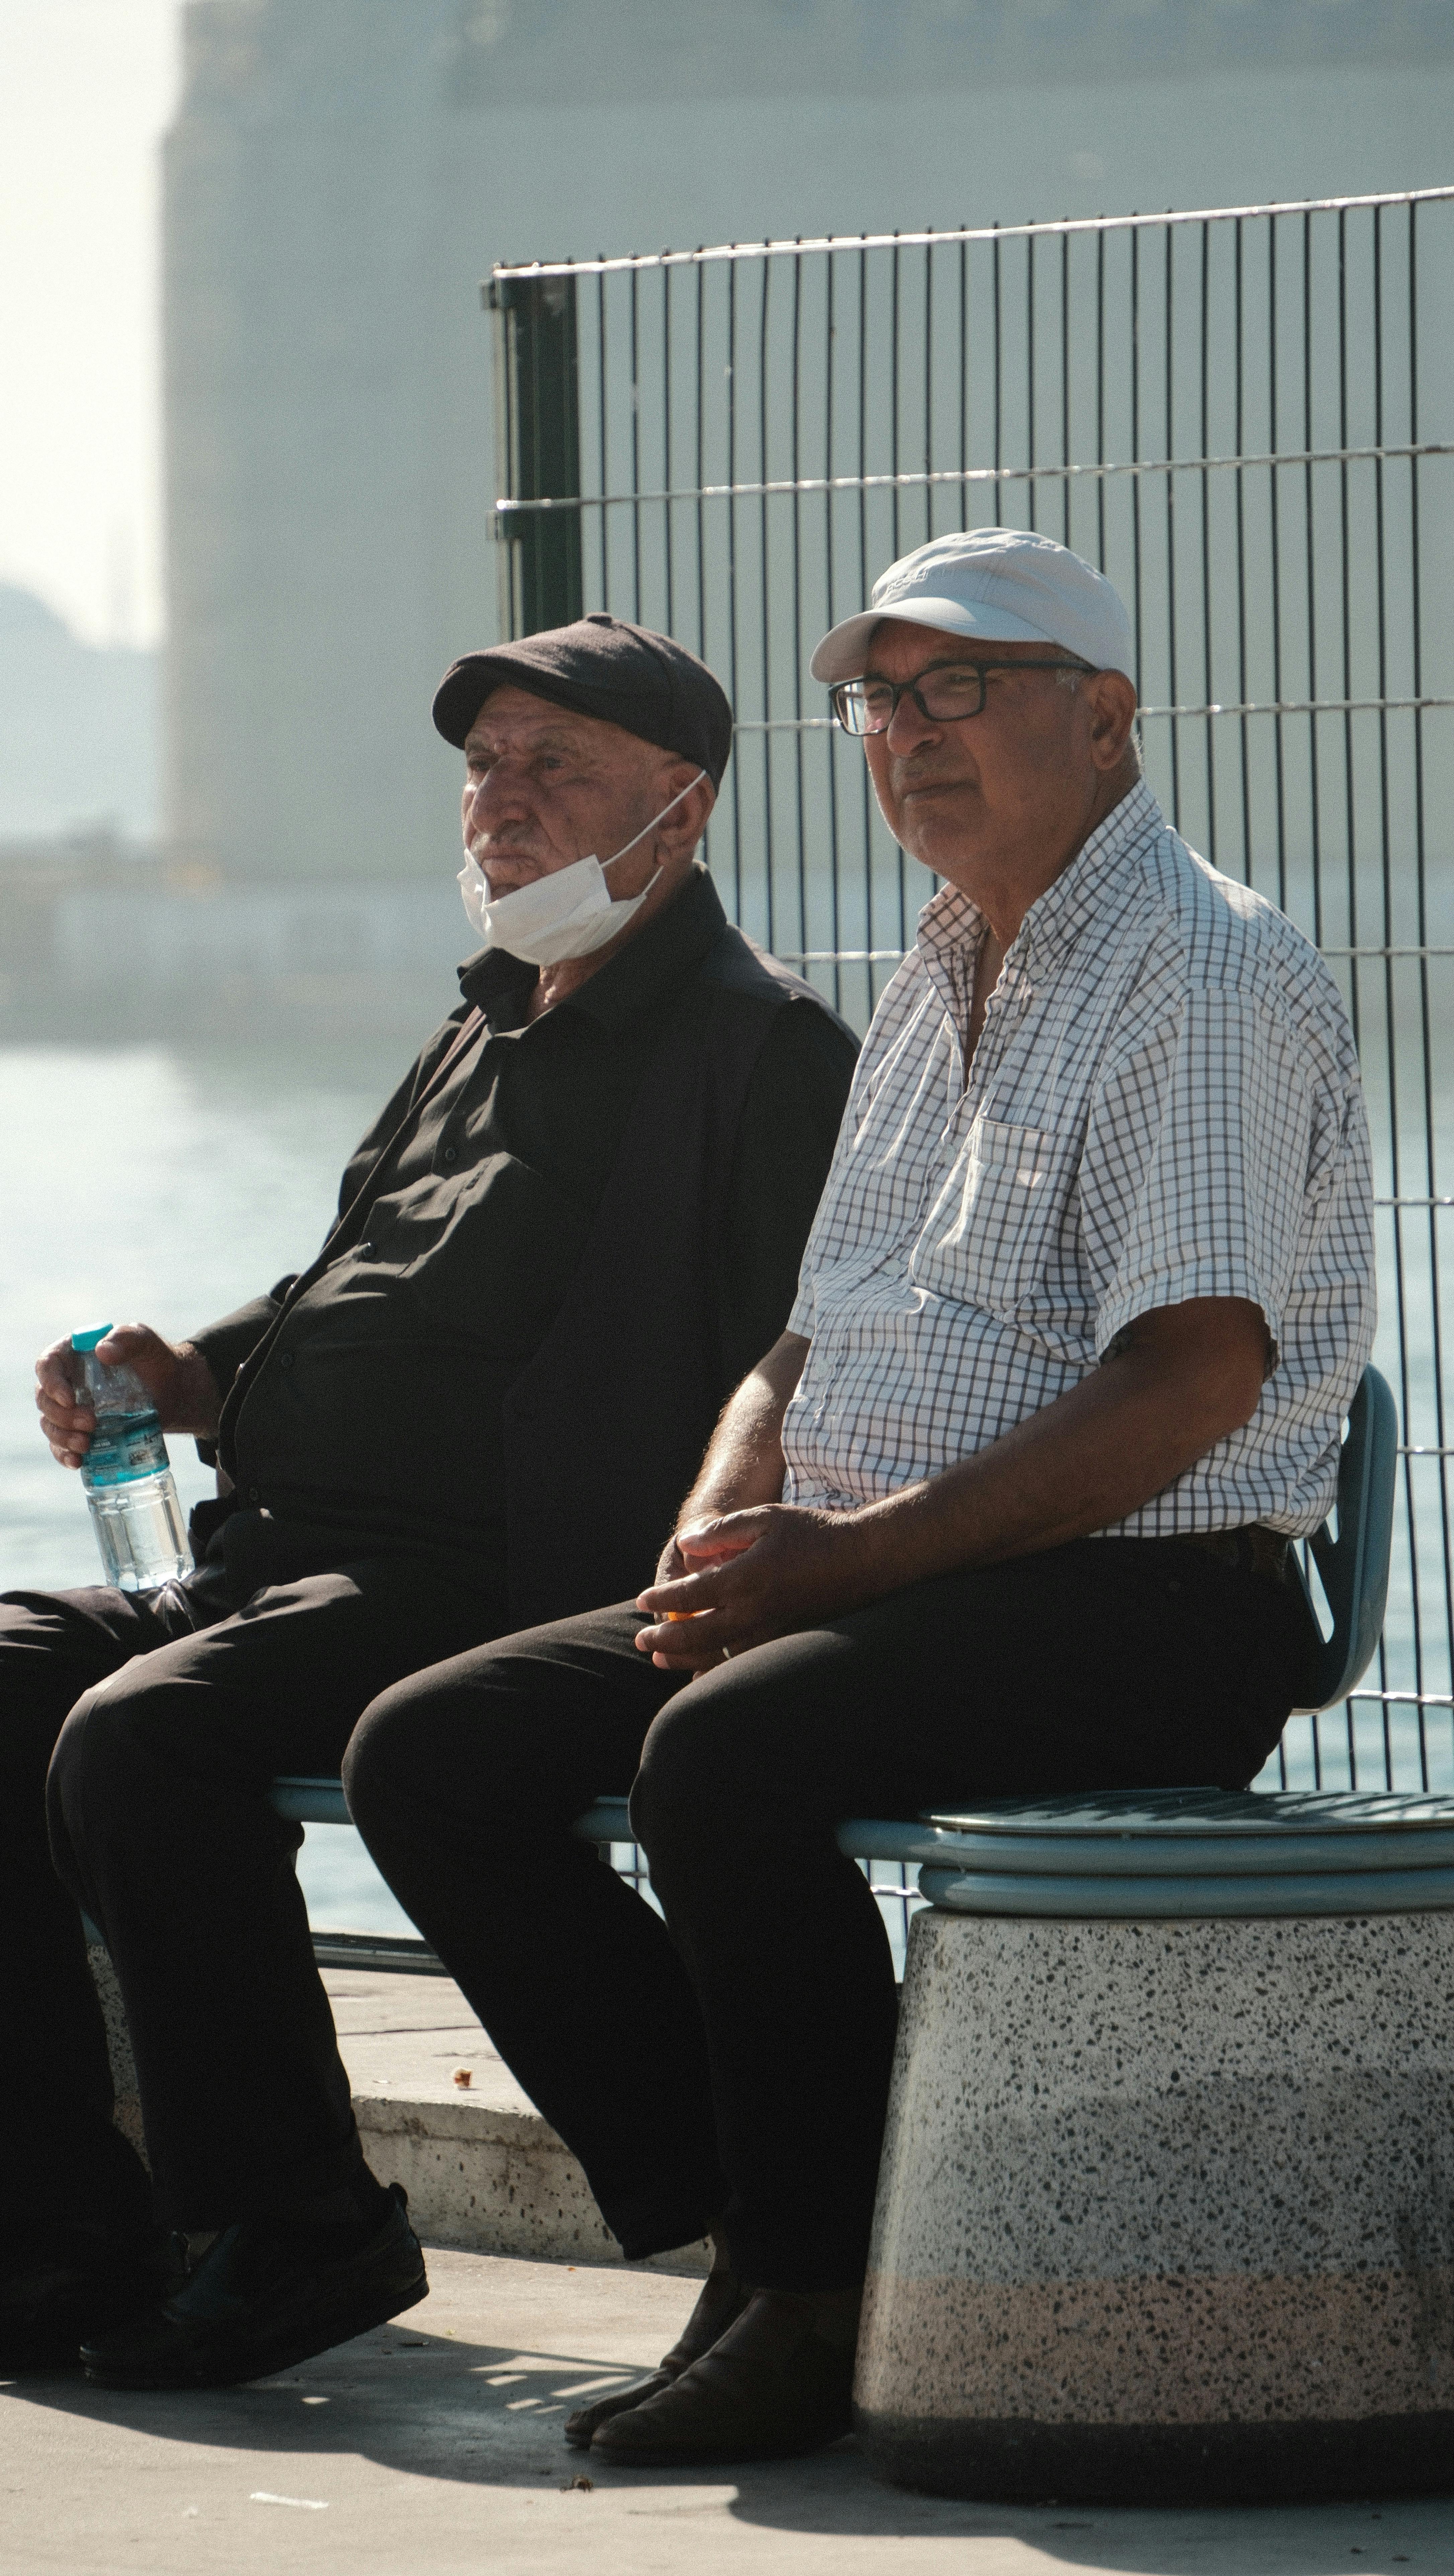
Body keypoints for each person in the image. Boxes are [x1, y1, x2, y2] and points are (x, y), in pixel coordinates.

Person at [341, 529, 1376, 2467]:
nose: (910, 736)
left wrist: (837, 1564)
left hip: (1157, 1593)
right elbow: (809, 1339)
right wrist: (717, 1527)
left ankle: (812, 2298)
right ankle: (775, 2229)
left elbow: (1191, 1385)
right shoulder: (933, 959)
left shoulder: (1200, 967)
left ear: (1107, 715)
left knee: (723, 1760)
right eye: (880, 700)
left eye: (962, 688)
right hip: (891, 1573)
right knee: (435, 1751)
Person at [4, 614, 857, 2389]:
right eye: (487, 767)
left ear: (677, 807)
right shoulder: (477, 1027)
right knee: (14, 1670)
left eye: (560, 769)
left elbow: (811, 1362)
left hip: (507, 1580)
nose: (505, 803)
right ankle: (69, 2230)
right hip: (287, 1558)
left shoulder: (758, 1053)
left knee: (142, 1739)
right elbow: (368, 1290)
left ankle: (298, 2221)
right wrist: (193, 1372)